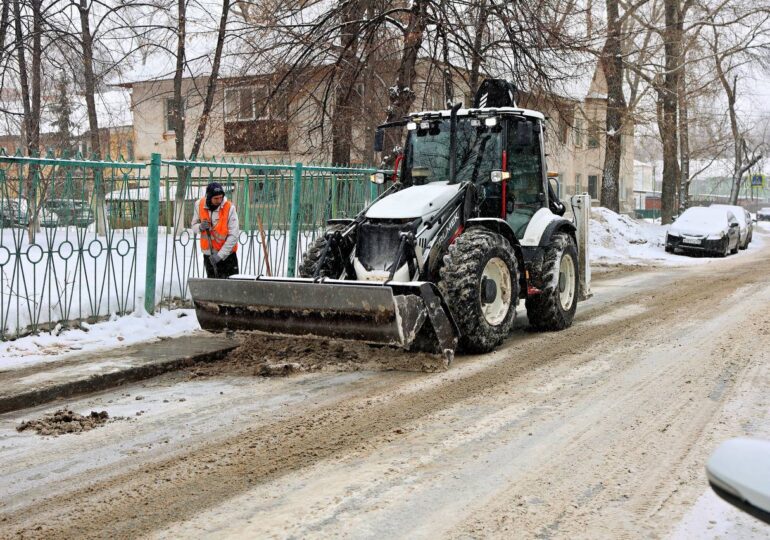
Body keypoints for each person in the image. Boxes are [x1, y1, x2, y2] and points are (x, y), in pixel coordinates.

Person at [191, 182, 239, 278]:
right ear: (209, 197)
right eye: (216, 198)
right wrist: (200, 227)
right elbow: (193, 225)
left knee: (231, 288)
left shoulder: (229, 208)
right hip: (209, 256)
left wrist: (220, 256)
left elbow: (234, 236)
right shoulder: (199, 205)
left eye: (221, 197)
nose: (219, 200)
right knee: (213, 287)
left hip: (227, 256)